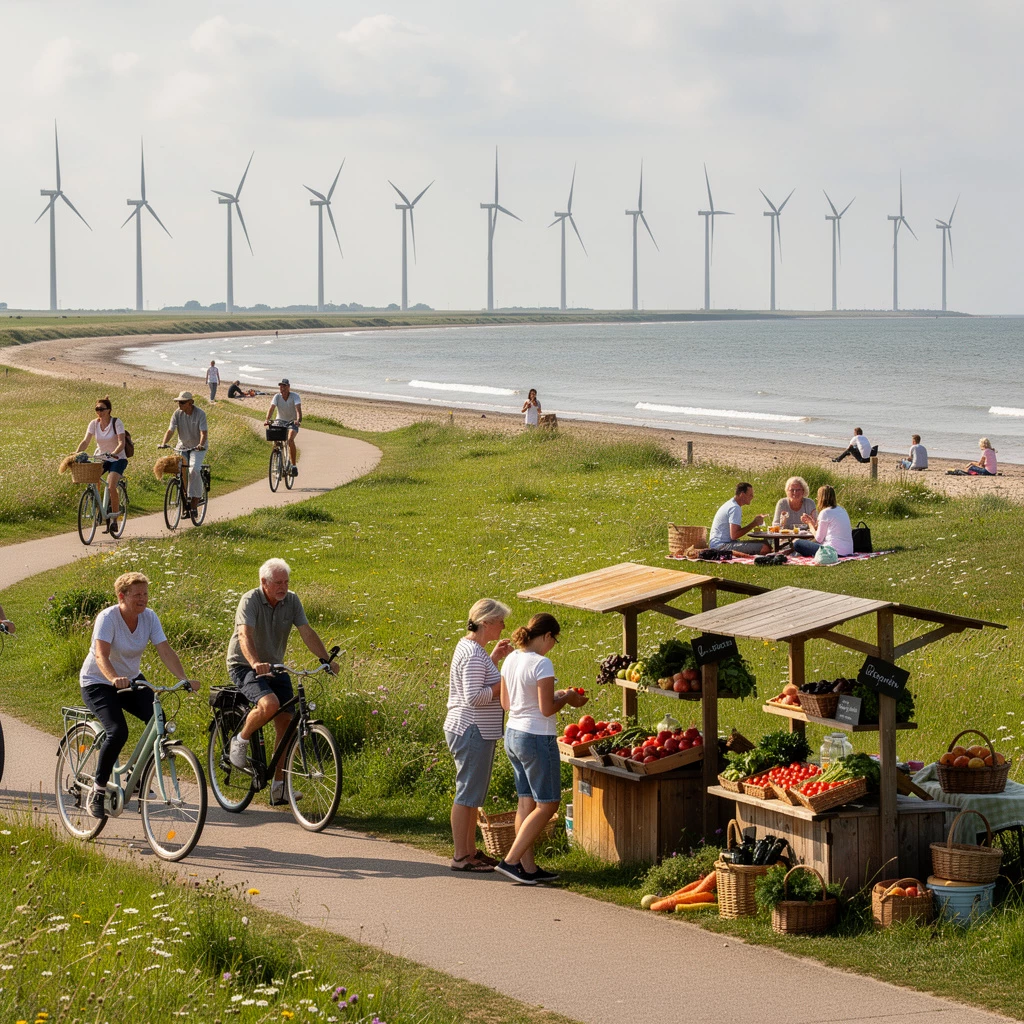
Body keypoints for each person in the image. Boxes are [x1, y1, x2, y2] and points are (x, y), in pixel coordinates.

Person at [78, 572, 198, 818]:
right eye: (137, 594)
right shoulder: (108, 618)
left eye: (145, 593)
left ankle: (138, 776)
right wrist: (113, 678)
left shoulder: (149, 618)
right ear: (121, 596)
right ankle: (98, 790)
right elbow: (101, 654)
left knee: (158, 720)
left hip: (131, 680)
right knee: (117, 731)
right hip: (98, 681)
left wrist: (182, 679)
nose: (143, 599)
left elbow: (165, 650)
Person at [226, 558, 338, 805]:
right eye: (277, 582)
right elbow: (245, 634)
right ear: (263, 583)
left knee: (287, 725)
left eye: (286, 581)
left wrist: (325, 659)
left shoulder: (292, 600)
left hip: (275, 666)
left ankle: (279, 787)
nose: (283, 587)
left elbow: (306, 631)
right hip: (244, 664)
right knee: (270, 704)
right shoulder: (250, 600)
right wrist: (255, 662)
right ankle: (241, 739)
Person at [496, 613, 587, 885]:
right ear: (547, 636)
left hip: (513, 733)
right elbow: (546, 709)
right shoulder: (542, 663)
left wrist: (555, 696)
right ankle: (511, 861)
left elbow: (506, 703)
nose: (553, 646)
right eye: (554, 640)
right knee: (548, 804)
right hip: (536, 737)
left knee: (526, 801)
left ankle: (528, 868)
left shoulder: (512, 658)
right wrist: (568, 698)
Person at [444, 598, 514, 872]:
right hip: (472, 729)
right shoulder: (474, 653)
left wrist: (494, 658)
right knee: (467, 794)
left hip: (469, 728)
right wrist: (504, 683)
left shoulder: (472, 647)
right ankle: (461, 856)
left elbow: (476, 678)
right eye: (500, 622)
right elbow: (474, 697)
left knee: (471, 794)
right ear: (486, 623)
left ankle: (470, 851)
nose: (503, 626)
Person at [75, 396, 127, 530]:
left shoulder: (116, 423)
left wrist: (114, 453)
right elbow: (86, 441)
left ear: (109, 410)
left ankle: (115, 519)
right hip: (101, 457)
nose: (99, 412)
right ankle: (98, 509)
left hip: (117, 458)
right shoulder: (94, 424)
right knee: (92, 480)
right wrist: (76, 453)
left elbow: (121, 442)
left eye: (102, 409)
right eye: (97, 409)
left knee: (110, 486)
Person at [159, 391, 208, 512]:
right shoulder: (177, 414)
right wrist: (163, 443)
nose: (179, 404)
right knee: (178, 470)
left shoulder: (200, 414)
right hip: (182, 446)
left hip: (197, 447)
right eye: (178, 402)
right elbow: (170, 430)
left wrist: (201, 445)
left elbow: (203, 432)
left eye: (182, 402)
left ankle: (195, 500)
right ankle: (185, 495)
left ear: (191, 402)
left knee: (194, 470)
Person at [709, 482, 770, 555]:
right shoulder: (735, 508)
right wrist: (754, 524)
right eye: (750, 495)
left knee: (765, 543)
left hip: (719, 543)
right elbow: (734, 535)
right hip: (721, 546)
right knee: (764, 547)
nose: (752, 497)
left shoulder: (731, 504)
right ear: (742, 495)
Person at [793, 485, 854, 558]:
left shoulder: (825, 512)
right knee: (808, 544)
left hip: (832, 552)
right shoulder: (842, 510)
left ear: (821, 498)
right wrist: (812, 522)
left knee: (797, 543)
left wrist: (809, 524)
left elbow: (819, 539)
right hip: (848, 551)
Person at [265, 379, 302, 476]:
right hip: (280, 421)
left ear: (289, 387)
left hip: (292, 422)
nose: (283, 388)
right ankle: (278, 458)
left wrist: (298, 420)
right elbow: (272, 408)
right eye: (281, 387)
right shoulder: (277, 396)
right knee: (275, 438)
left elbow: (298, 410)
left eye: (284, 386)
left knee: (290, 439)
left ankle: (293, 466)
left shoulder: (295, 396)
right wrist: (267, 419)